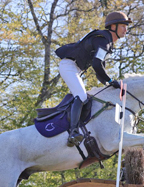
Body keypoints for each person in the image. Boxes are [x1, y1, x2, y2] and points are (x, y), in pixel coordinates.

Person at [55, 11, 132, 147]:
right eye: (123, 26)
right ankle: (73, 132)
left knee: (85, 96)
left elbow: (99, 68)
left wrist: (109, 84)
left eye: (127, 26)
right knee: (82, 96)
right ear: (113, 26)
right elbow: (96, 64)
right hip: (68, 65)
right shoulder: (104, 40)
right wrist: (109, 81)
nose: (126, 29)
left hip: (74, 68)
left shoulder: (105, 40)